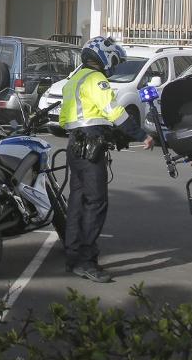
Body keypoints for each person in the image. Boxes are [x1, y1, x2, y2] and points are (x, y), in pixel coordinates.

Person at [57, 36, 147, 283]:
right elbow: (115, 113)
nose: (113, 66)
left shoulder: (74, 80)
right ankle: (87, 262)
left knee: (77, 202)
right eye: (114, 61)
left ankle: (73, 257)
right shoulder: (97, 80)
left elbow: (68, 119)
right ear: (104, 57)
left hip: (75, 145)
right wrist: (142, 135)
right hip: (90, 147)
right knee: (96, 203)